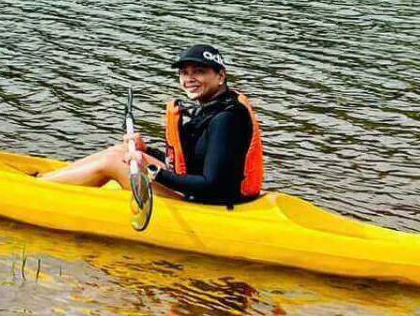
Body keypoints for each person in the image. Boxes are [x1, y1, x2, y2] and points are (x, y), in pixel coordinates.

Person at [39, 44, 264, 205]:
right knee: (120, 151)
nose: (189, 79)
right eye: (184, 73)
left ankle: (38, 191)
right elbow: (188, 162)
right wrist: (146, 151)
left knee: (111, 162)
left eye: (199, 72)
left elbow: (212, 185)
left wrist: (153, 170)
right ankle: (47, 180)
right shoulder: (212, 106)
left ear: (220, 76)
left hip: (207, 205)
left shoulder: (227, 118)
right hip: (198, 192)